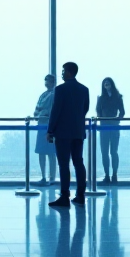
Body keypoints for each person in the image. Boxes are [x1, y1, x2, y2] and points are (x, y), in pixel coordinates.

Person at [45, 62, 89, 207]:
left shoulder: (61, 89)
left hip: (63, 133)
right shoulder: (84, 89)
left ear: (69, 72)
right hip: (78, 132)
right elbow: (85, 109)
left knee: (64, 164)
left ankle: (65, 196)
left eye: (63, 71)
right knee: (78, 162)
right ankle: (81, 195)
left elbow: (55, 111)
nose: (62, 74)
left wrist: (50, 130)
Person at [95, 77, 125, 184]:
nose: (106, 85)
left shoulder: (118, 97)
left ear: (112, 84)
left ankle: (114, 175)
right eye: (104, 84)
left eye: (108, 83)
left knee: (113, 152)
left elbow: (122, 112)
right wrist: (102, 119)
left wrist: (117, 120)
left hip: (114, 127)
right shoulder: (101, 98)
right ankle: (107, 175)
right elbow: (98, 111)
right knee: (104, 152)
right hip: (104, 127)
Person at [33, 75, 57, 186]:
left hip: (50, 126)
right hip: (41, 125)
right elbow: (37, 110)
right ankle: (43, 177)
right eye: (45, 81)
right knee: (41, 152)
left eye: (48, 81)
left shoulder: (55, 94)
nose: (46, 83)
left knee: (51, 153)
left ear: (53, 82)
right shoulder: (43, 95)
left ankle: (52, 178)